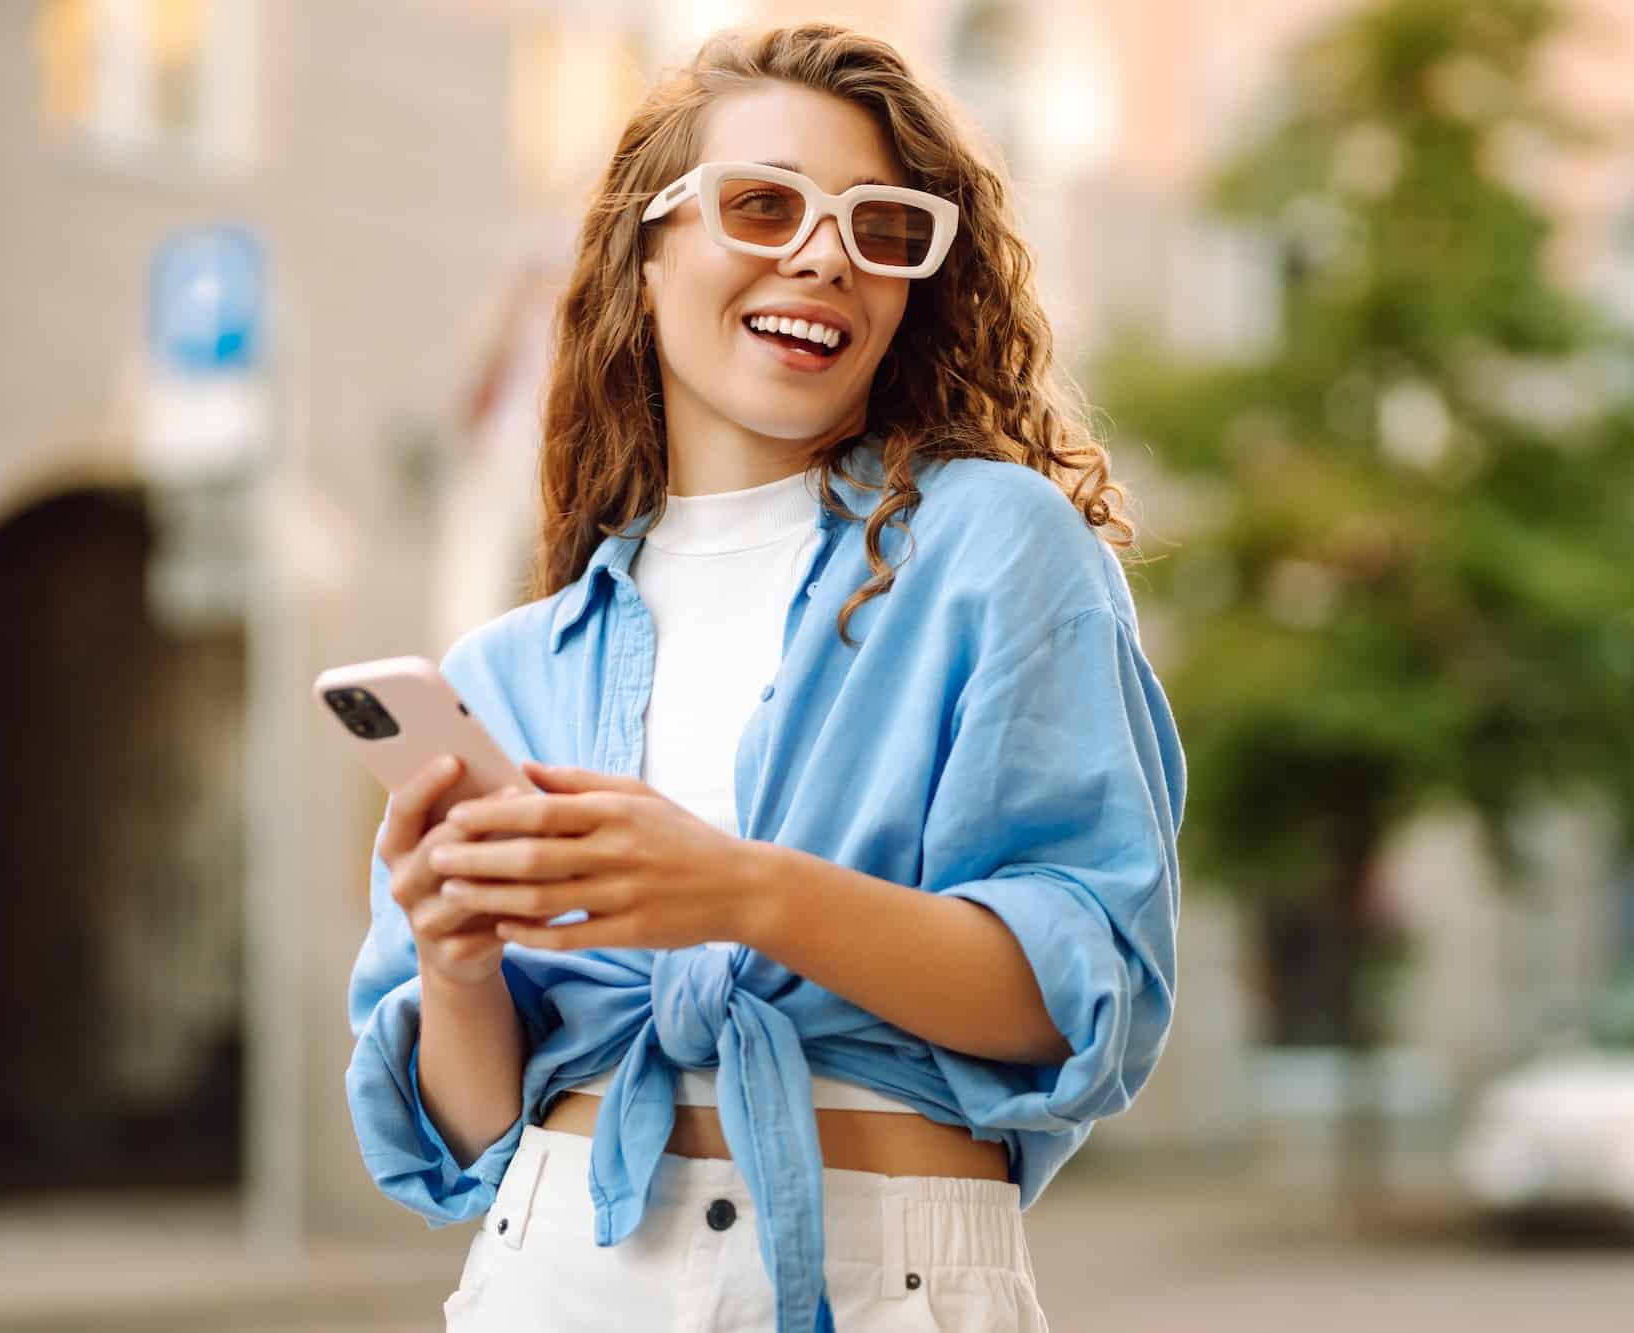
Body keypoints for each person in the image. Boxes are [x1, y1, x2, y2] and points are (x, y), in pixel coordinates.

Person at [344, 21, 1185, 1333]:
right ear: (648, 240)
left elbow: (1089, 995)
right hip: (553, 1276)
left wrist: (735, 889)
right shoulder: (510, 668)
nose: (823, 256)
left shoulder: (995, 548)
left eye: (880, 227)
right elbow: (466, 1140)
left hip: (883, 1282)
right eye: (763, 204)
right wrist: (453, 960)